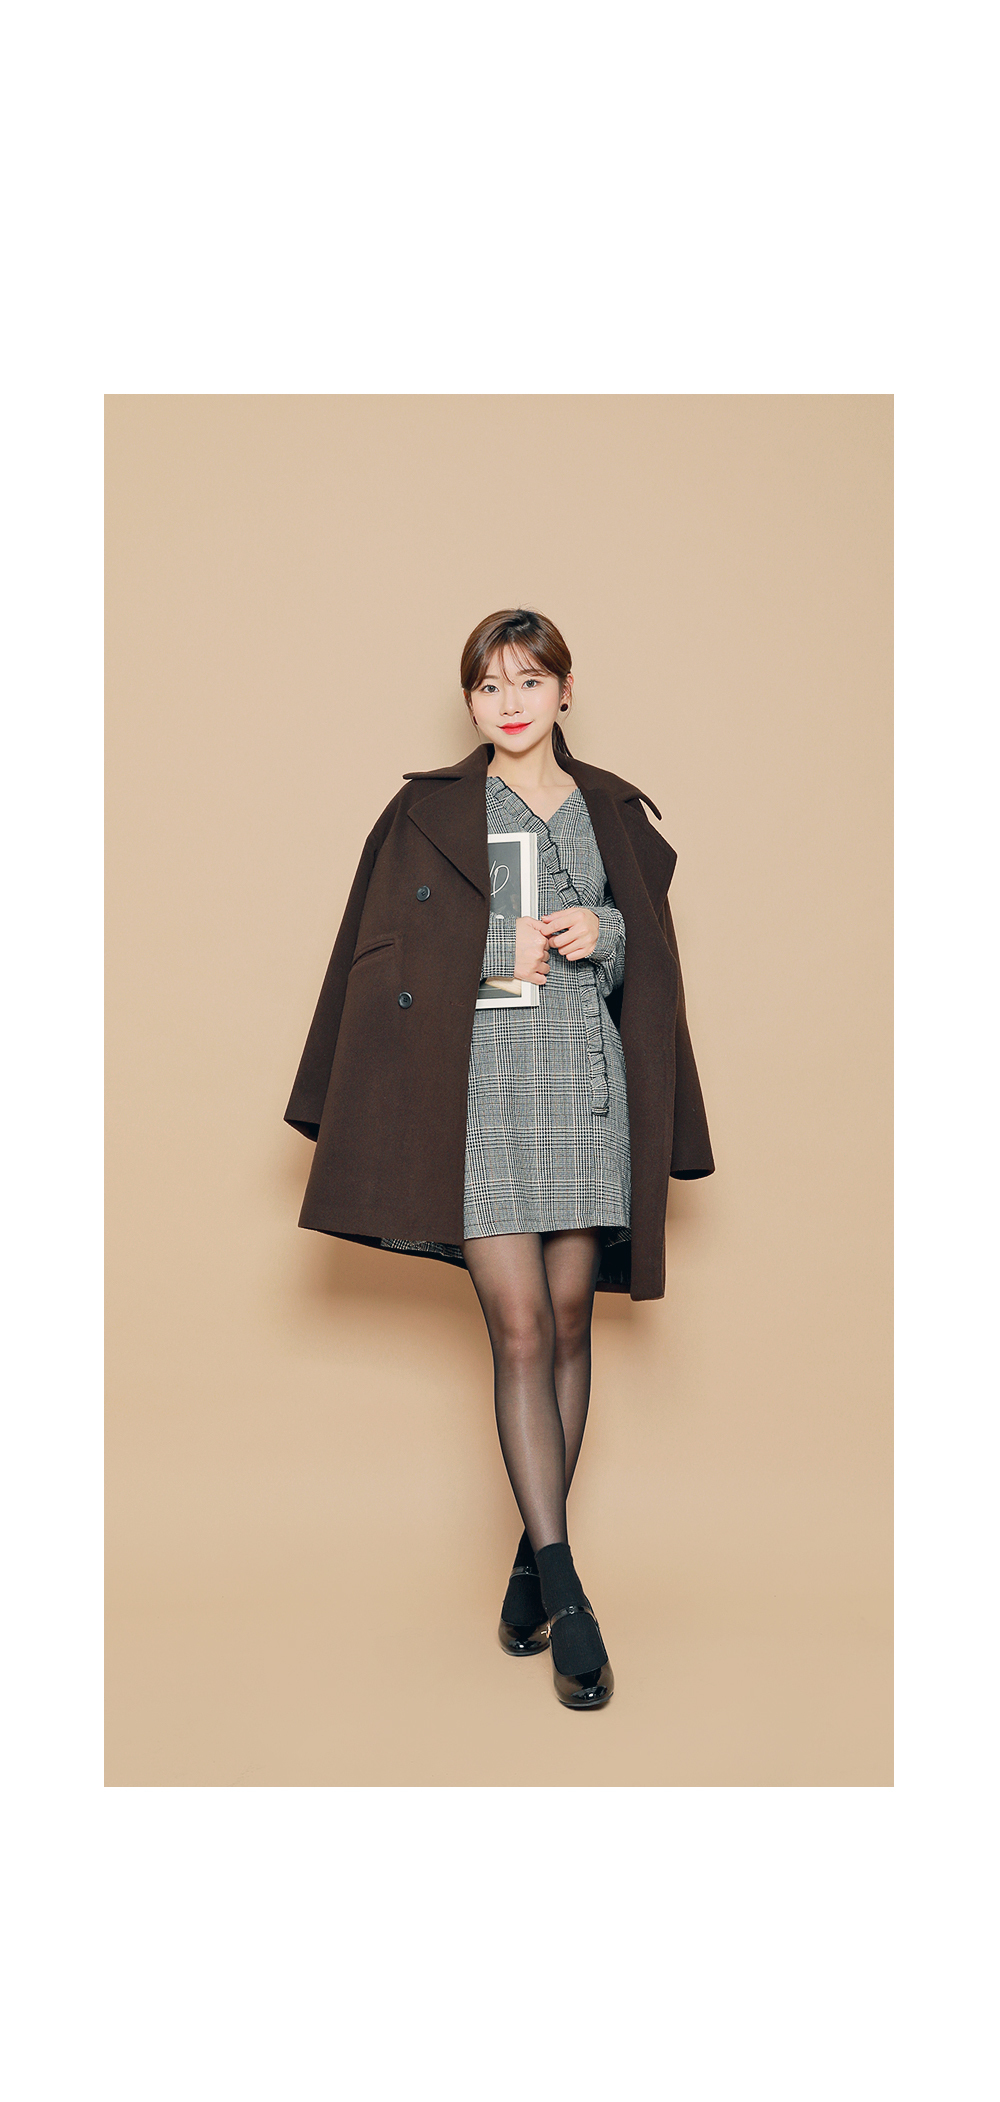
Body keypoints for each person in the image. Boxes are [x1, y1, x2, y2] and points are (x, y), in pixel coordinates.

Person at [284, 608, 714, 1709]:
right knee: (518, 1326)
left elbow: (647, 951)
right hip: (475, 1089)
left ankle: (528, 1562)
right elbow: (382, 952)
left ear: (566, 690)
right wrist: (493, 943)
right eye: (488, 684)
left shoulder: (609, 805)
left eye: (529, 680)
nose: (509, 701)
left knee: (568, 1321)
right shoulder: (428, 810)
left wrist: (606, 933)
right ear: (470, 701)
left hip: (585, 1082)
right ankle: (568, 1590)